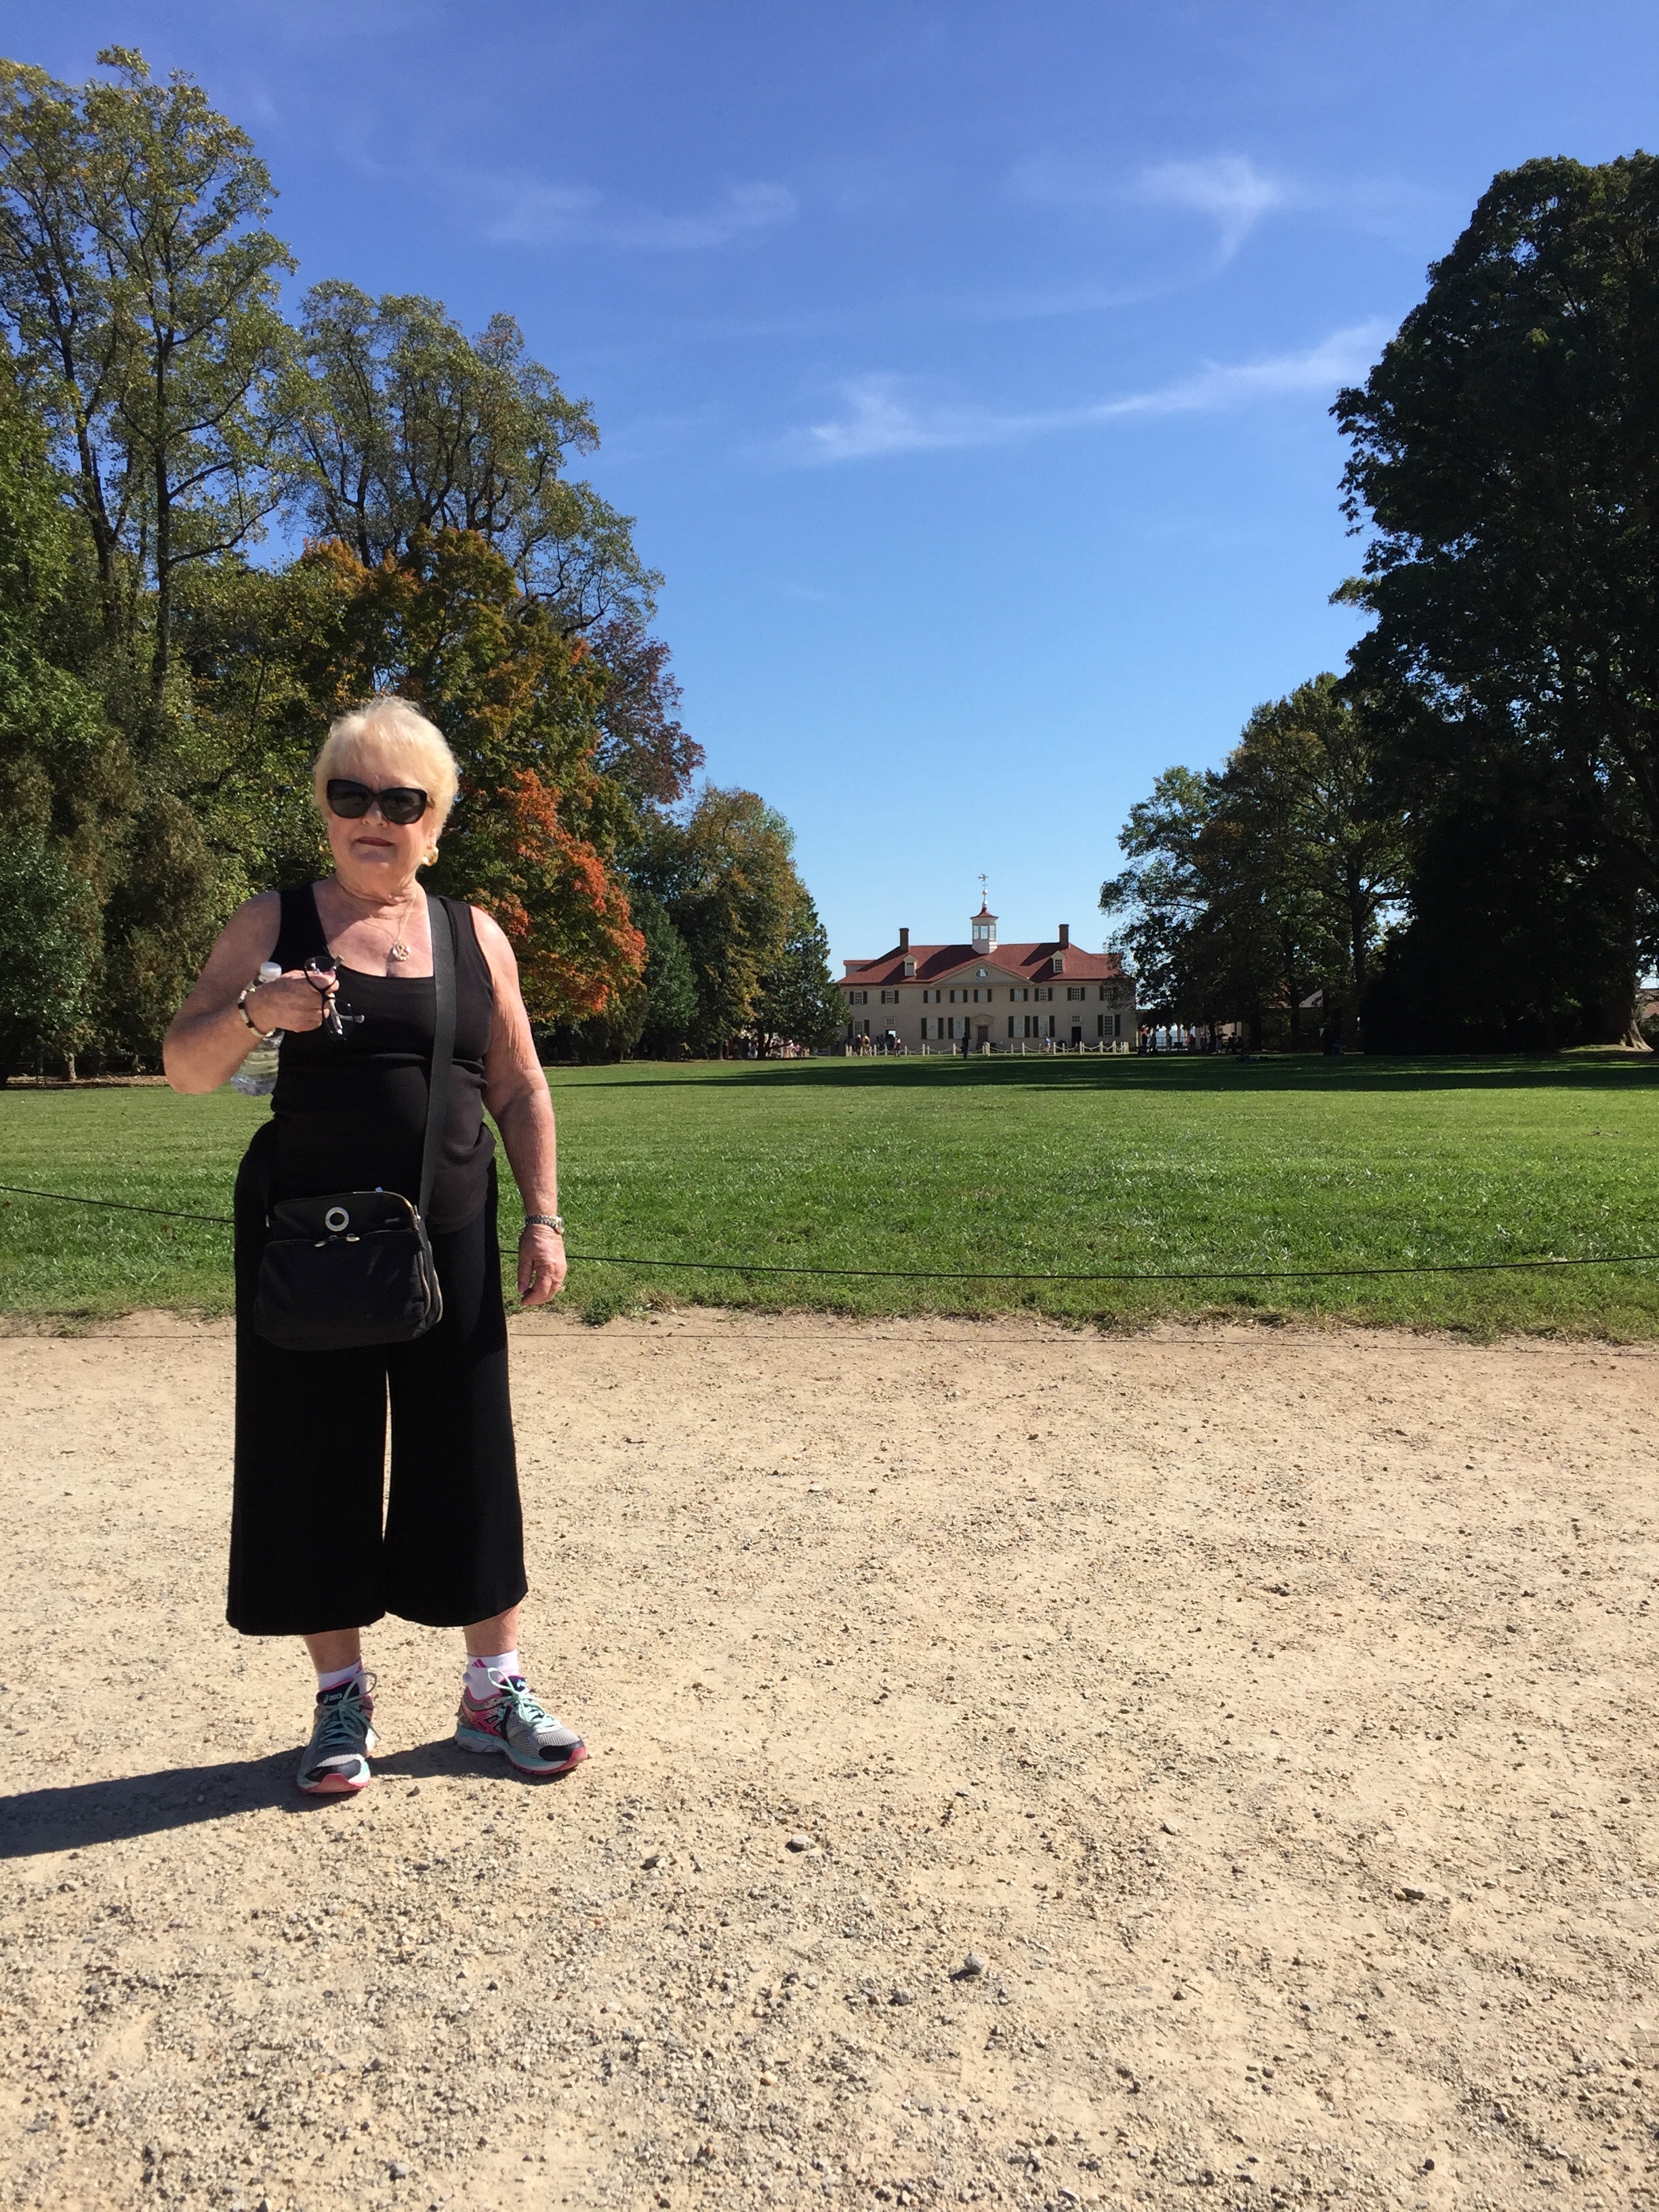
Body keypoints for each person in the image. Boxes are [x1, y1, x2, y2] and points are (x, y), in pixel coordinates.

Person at [163, 696, 586, 1796]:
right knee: (315, 1456)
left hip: (453, 1230)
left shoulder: (474, 935)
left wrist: (543, 1216)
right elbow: (186, 1068)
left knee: (469, 1454)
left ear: (435, 824)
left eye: (403, 802)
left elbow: (520, 1086)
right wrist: (258, 1013)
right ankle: (339, 1696)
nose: (374, 819)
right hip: (312, 1241)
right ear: (324, 808)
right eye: (351, 795)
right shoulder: (272, 924)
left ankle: (493, 1688)